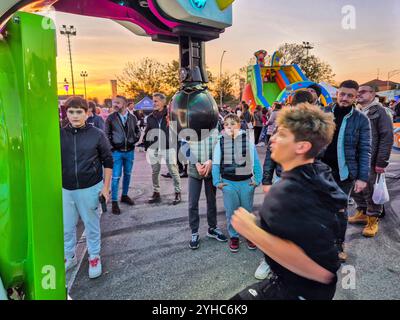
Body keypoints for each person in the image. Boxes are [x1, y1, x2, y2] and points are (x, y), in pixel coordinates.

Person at [231, 103, 347, 300]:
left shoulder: (289, 193)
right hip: (307, 289)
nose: (272, 139)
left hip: (296, 292)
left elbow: (321, 271)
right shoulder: (320, 172)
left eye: (282, 135)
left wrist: (252, 230)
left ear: (302, 146)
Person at [61, 97, 113, 279]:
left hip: (90, 187)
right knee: (67, 227)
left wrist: (105, 188)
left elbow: (108, 161)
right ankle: (69, 256)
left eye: (79, 112)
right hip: (65, 189)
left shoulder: (97, 134)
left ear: (87, 113)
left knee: (91, 226)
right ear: (66, 113)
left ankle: (94, 256)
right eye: (71, 112)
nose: (74, 116)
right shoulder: (58, 134)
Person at [321, 80, 371, 262]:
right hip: (320, 171)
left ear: (355, 97)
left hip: (345, 174)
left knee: (339, 211)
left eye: (350, 95)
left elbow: (365, 148)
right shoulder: (323, 113)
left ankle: (337, 244)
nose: (345, 98)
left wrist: (362, 178)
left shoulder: (361, 119)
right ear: (337, 94)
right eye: (342, 94)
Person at [212, 114, 262, 253]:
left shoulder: (247, 141)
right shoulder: (220, 142)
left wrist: (257, 179)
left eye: (233, 124)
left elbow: (256, 161)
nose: (230, 127)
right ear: (224, 127)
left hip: (246, 182)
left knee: (247, 211)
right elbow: (216, 164)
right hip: (229, 183)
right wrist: (217, 182)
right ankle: (234, 236)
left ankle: (249, 235)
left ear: (239, 125)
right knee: (231, 212)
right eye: (227, 125)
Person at [349, 85, 393, 237]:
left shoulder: (380, 112)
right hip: (355, 159)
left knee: (371, 190)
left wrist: (381, 162)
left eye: (363, 92)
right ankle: (362, 212)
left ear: (373, 94)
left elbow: (387, 138)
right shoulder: (356, 111)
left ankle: (373, 221)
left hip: (371, 159)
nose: (359, 94)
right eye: (358, 92)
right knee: (356, 188)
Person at [185, 129, 228, 250]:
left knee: (211, 200)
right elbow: (183, 146)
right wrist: (197, 164)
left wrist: (211, 160)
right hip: (195, 170)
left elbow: (219, 144)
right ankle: (194, 232)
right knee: (193, 202)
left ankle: (212, 228)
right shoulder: (190, 124)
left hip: (210, 169)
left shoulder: (214, 124)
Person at [144, 93, 182, 205]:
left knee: (173, 171)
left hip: (169, 147)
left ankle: (177, 192)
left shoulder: (171, 115)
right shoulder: (150, 117)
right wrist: (147, 147)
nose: (153, 103)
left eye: (156, 101)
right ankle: (156, 192)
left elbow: (178, 131)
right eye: (153, 101)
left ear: (163, 102)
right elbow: (147, 132)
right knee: (155, 172)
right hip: (154, 148)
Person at [105, 95, 141, 215]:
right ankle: (114, 201)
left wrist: (133, 140)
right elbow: (106, 135)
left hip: (129, 151)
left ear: (124, 104)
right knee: (115, 177)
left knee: (128, 174)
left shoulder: (132, 117)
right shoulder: (110, 118)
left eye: (118, 103)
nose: (115, 105)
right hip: (116, 152)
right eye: (113, 102)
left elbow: (137, 131)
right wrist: (112, 147)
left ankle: (124, 195)